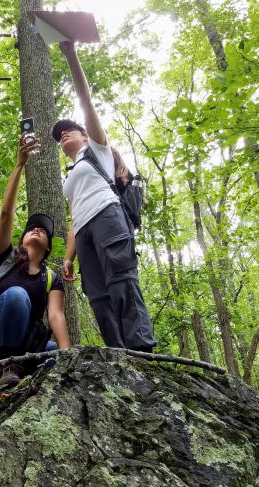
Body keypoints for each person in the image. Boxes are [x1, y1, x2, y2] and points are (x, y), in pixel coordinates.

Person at [54, 41, 156, 352]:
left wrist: (71, 54)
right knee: (97, 295)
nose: (64, 135)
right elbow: (73, 218)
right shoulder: (68, 177)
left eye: (70, 129)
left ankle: (141, 351)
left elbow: (86, 102)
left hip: (109, 218)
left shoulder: (98, 150)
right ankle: (118, 354)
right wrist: (68, 258)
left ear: (86, 134)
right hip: (84, 233)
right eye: (59, 136)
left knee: (122, 283)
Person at [0, 134, 70, 398]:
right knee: (16, 295)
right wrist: (19, 164)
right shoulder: (4, 257)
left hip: (29, 348)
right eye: (31, 228)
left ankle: (31, 374)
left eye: (42, 231)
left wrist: (69, 356)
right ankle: (8, 366)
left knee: (57, 354)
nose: (36, 230)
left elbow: (56, 316)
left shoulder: (50, 278)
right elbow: (5, 214)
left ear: (47, 248)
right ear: (21, 239)